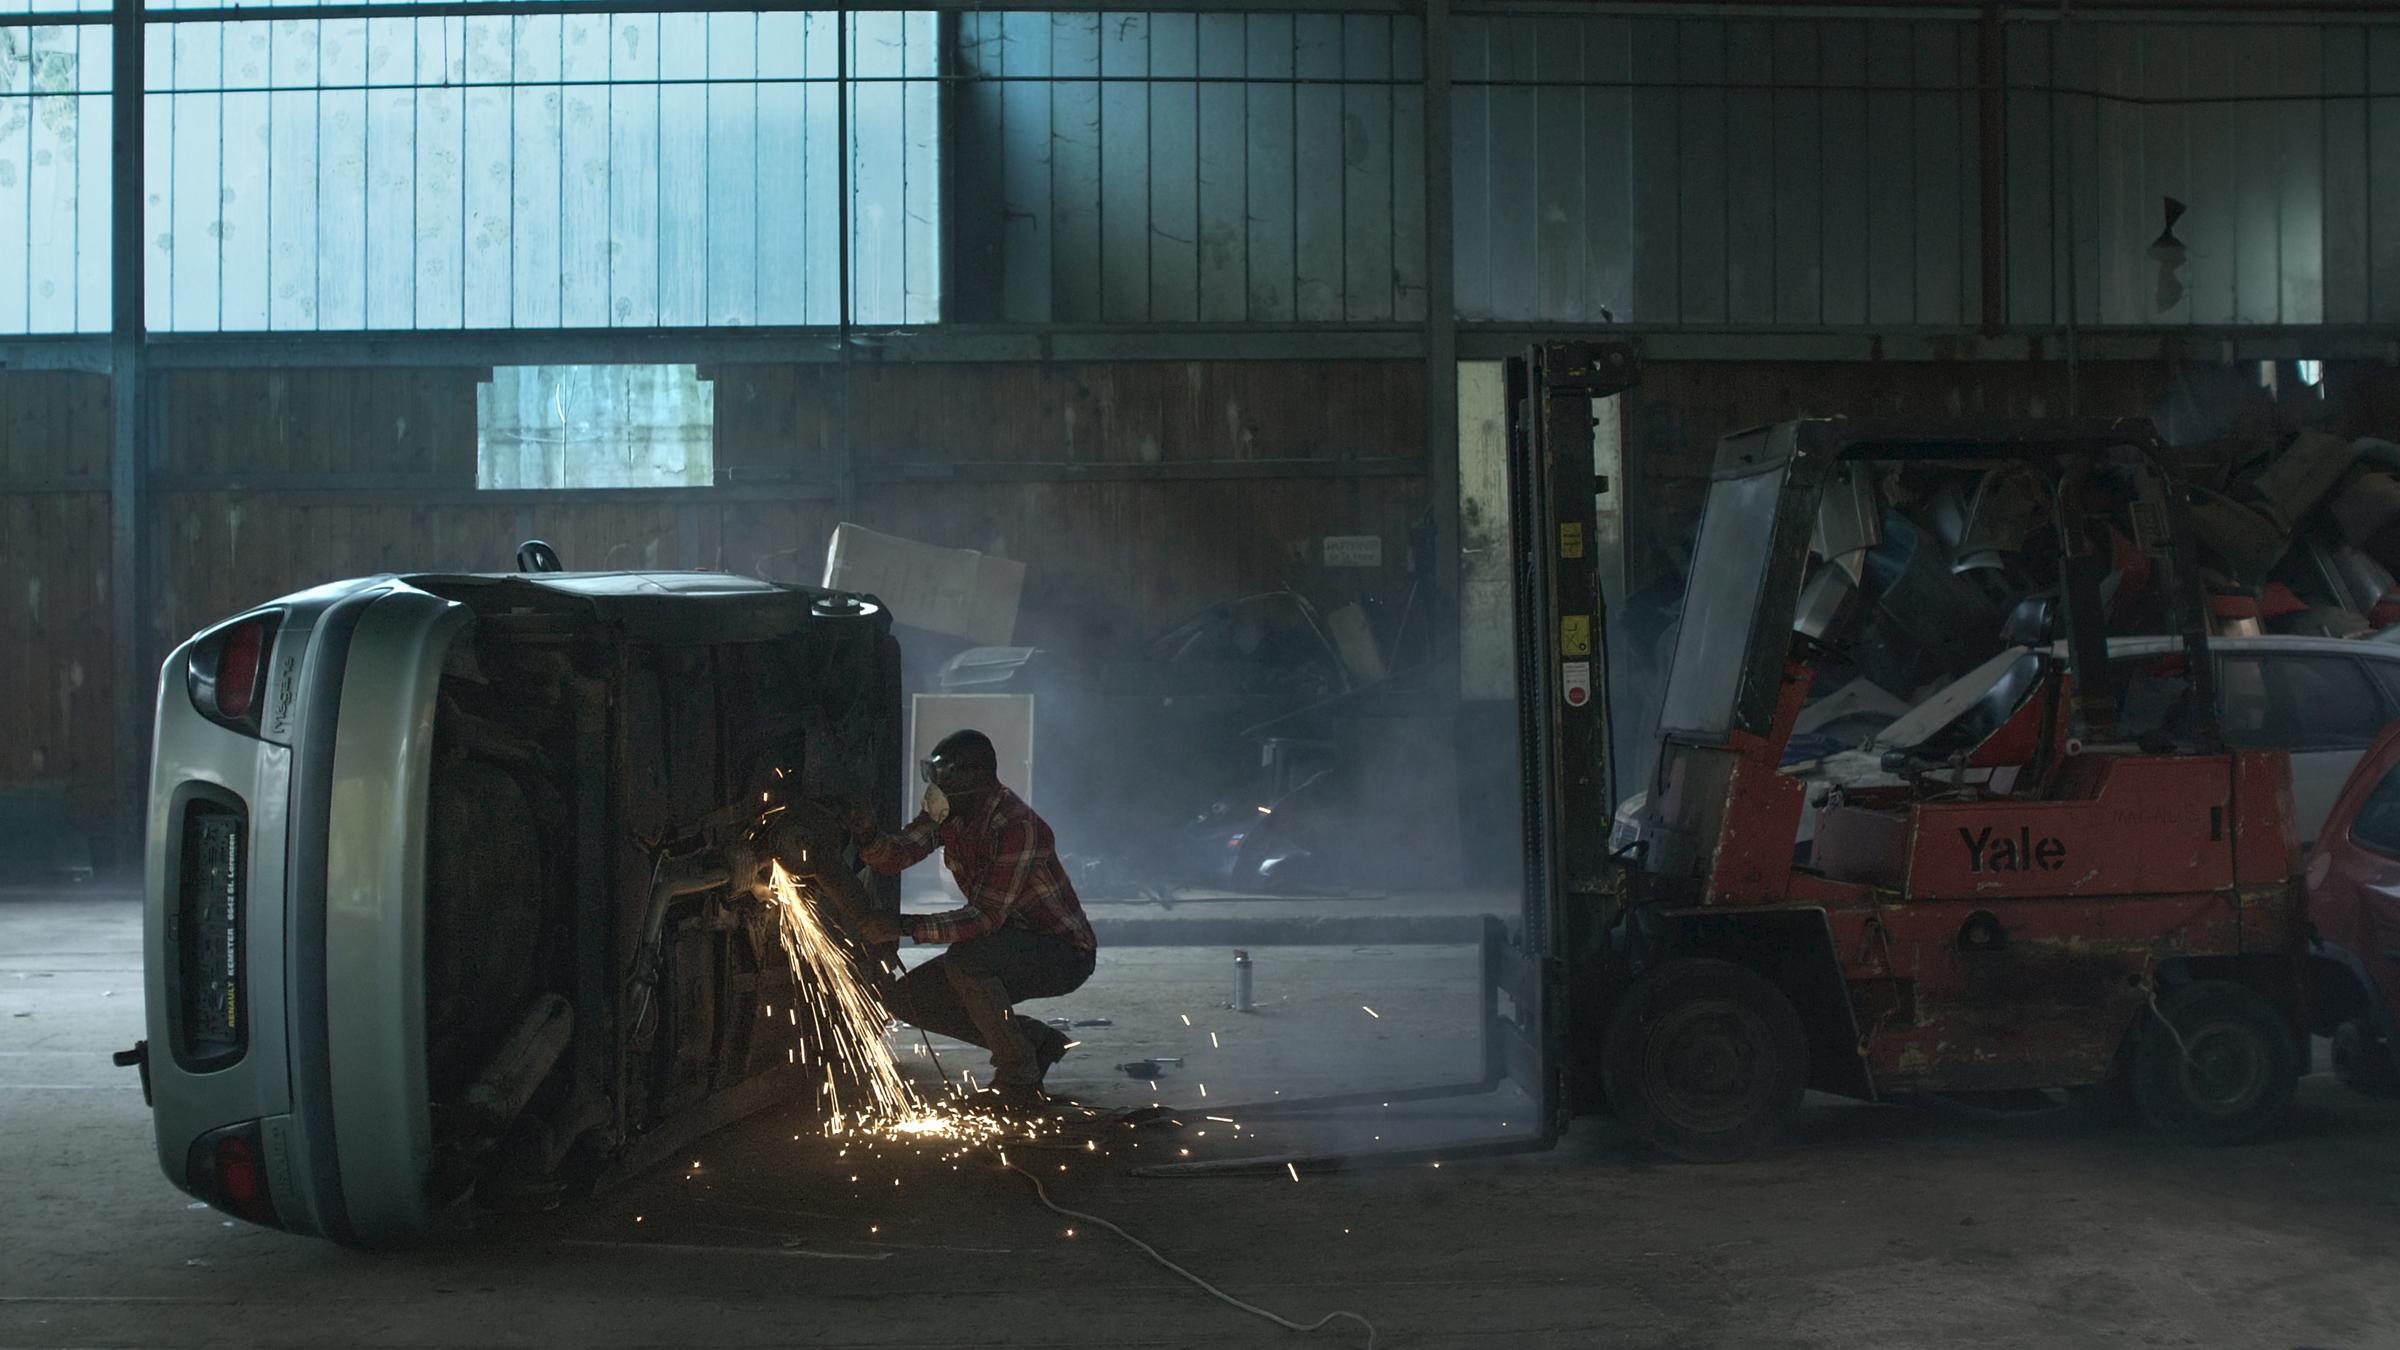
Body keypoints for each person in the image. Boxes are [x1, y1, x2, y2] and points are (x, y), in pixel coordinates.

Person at [847, 729, 1097, 1108]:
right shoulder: (950, 813)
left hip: (1061, 953)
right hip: (1003, 944)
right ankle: (1032, 1042)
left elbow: (984, 918)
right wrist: (867, 835)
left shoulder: (1018, 827)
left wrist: (904, 926)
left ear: (979, 776)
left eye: (946, 774)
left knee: (969, 960)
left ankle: (1018, 1082)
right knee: (906, 998)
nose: (936, 785)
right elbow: (895, 856)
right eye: (933, 773)